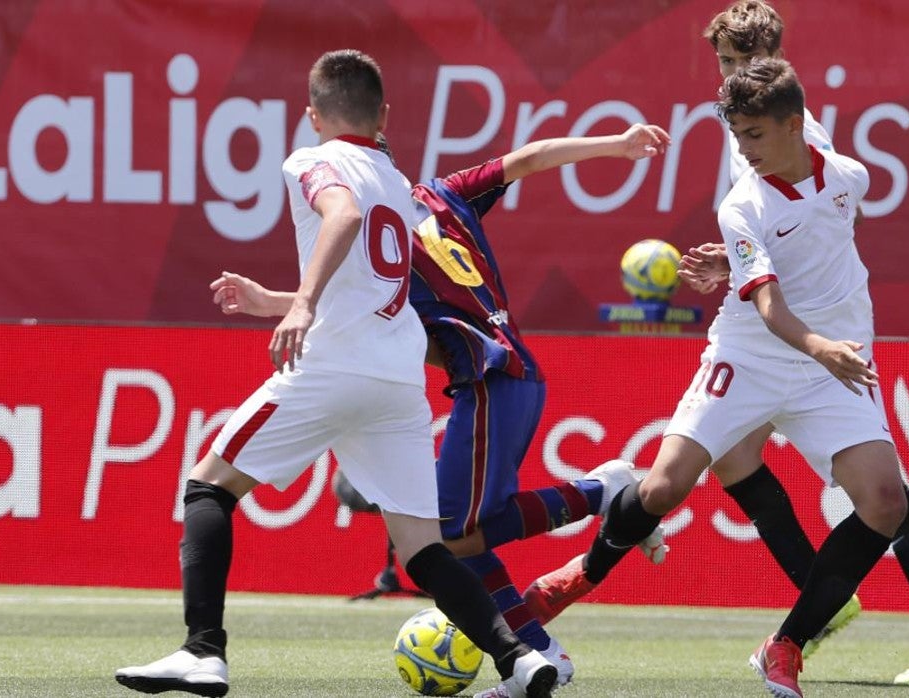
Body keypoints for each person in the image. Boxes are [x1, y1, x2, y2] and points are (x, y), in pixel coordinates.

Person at [527, 1, 909, 688]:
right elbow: (767, 288)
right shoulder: (745, 174)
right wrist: (742, 264)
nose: (733, 87)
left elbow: (817, 229)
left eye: (745, 66)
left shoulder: (838, 167)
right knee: (671, 483)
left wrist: (799, 311)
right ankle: (584, 569)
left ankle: (819, 631)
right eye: (726, 67)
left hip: (831, 352)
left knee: (882, 499)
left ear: (786, 96)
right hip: (758, 348)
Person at [114, 49, 557, 698]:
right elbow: (372, 278)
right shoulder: (399, 181)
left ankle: (202, 652)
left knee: (209, 486)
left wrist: (300, 304)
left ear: (311, 116)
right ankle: (520, 659)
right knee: (424, 550)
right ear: (383, 116)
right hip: (397, 379)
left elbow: (343, 218)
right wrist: (276, 299)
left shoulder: (310, 159)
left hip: (333, 366)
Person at [207, 124, 673, 698]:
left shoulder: (387, 234)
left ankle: (589, 525)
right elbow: (528, 158)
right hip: (513, 375)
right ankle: (541, 636)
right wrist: (614, 145)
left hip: (488, 379)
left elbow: (367, 307)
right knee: (464, 533)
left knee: (449, 537)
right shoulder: (445, 193)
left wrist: (280, 303)